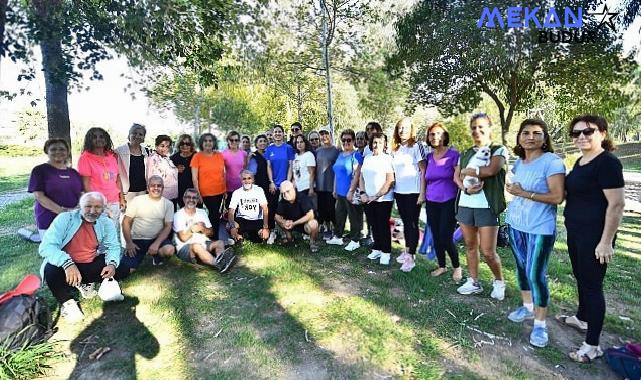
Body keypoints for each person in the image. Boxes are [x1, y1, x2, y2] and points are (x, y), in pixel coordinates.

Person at [563, 115, 625, 362]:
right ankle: (581, 318)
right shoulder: (581, 161)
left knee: (592, 286)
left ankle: (592, 345)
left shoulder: (607, 163)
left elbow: (617, 204)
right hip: (576, 232)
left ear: (602, 132)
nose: (581, 137)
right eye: (576, 133)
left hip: (595, 237)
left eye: (588, 131)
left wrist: (606, 241)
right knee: (581, 277)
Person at [504, 119, 565, 348]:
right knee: (521, 269)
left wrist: (523, 193)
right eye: (526, 132)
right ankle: (527, 306)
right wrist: (513, 191)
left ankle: (540, 325)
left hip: (539, 228)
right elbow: (516, 189)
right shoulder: (520, 162)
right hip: (516, 224)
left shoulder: (552, 162)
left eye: (537, 133)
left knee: (536, 274)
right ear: (519, 137)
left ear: (545, 137)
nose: (531, 137)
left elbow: (558, 197)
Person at [39, 192, 130, 322]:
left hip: (89, 263)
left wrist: (111, 264)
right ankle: (68, 303)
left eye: (98, 207)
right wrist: (67, 264)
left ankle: (84, 283)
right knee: (50, 270)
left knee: (123, 268)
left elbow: (113, 246)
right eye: (88, 206)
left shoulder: (105, 222)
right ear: (80, 207)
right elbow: (46, 247)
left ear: (103, 209)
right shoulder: (65, 219)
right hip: (66, 267)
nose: (92, 211)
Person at [453, 113, 507, 300]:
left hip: (487, 206)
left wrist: (470, 171)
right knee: (469, 245)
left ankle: (499, 281)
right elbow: (458, 177)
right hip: (466, 203)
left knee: (488, 251)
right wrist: (466, 190)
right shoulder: (466, 152)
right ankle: (474, 282)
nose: (477, 130)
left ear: (490, 127)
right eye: (474, 127)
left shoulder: (498, 150)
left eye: (481, 126)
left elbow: (491, 170)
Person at [424, 123, 462, 281]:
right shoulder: (428, 157)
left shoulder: (454, 155)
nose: (434, 137)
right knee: (436, 235)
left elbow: (458, 177)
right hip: (431, 200)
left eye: (438, 134)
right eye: (432, 134)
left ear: (445, 136)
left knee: (445, 236)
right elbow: (426, 179)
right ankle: (441, 266)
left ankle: (457, 267)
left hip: (448, 200)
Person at [390, 117, 426, 272]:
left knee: (412, 224)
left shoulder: (417, 146)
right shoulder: (396, 149)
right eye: (400, 128)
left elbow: (424, 170)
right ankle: (406, 250)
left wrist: (422, 193)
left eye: (405, 128)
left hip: (414, 192)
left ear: (411, 129)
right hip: (400, 191)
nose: (402, 130)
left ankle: (411, 256)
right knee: (405, 222)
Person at [29, 138, 83, 239]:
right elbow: (39, 196)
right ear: (47, 151)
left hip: (73, 219)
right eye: (53, 149)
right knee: (53, 252)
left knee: (74, 252)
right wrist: (63, 212)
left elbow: (80, 194)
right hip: (49, 219)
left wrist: (78, 210)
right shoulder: (39, 170)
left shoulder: (74, 173)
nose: (58, 152)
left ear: (67, 152)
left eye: (62, 149)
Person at [173, 188, 236, 273]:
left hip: (203, 243)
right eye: (188, 197)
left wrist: (203, 229)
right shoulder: (178, 215)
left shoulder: (202, 212)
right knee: (196, 246)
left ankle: (221, 259)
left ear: (198, 200)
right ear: (184, 199)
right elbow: (183, 238)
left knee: (220, 242)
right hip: (185, 248)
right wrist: (192, 230)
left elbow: (211, 232)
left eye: (194, 198)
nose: (191, 200)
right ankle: (217, 264)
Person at [121, 176, 176, 270]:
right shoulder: (137, 200)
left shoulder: (168, 204)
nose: (156, 188)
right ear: (147, 188)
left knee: (169, 250)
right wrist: (129, 243)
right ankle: (142, 255)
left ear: (163, 188)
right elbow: (126, 222)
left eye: (159, 186)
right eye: (152, 186)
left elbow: (168, 226)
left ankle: (156, 256)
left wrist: (157, 243)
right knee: (127, 269)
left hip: (156, 239)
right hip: (138, 239)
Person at [77, 127, 125, 230]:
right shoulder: (85, 158)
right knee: (98, 234)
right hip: (98, 203)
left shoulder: (112, 156)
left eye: (102, 136)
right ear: (89, 140)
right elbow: (86, 185)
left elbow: (117, 179)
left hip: (114, 202)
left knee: (112, 231)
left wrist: (122, 198)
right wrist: (95, 204)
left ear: (107, 139)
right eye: (94, 137)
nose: (99, 139)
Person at [359, 133, 395, 265]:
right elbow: (361, 177)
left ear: (384, 144)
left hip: (383, 199)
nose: (376, 145)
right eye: (374, 142)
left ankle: (386, 252)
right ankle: (377, 247)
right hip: (367, 198)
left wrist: (376, 195)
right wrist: (363, 193)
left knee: (382, 225)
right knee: (373, 224)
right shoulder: (367, 158)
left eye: (380, 142)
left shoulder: (387, 159)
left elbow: (390, 180)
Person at [327, 129, 363, 252]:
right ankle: (338, 236)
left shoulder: (356, 155)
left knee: (354, 217)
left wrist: (351, 191)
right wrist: (334, 189)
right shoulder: (340, 155)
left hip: (351, 192)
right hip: (340, 192)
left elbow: (358, 175)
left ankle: (355, 240)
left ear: (353, 141)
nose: (346, 142)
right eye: (344, 140)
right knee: (339, 215)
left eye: (349, 140)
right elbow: (337, 172)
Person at [191, 133, 226, 239]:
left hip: (219, 191)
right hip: (205, 192)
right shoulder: (197, 157)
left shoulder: (219, 155)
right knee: (214, 214)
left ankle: (212, 238)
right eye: (205, 141)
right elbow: (194, 177)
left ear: (214, 142)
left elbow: (223, 174)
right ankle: (213, 239)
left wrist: (224, 190)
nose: (208, 143)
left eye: (210, 141)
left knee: (215, 215)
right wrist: (198, 193)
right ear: (202, 143)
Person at [265, 124, 295, 244]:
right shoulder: (269, 149)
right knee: (273, 209)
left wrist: (287, 183)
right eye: (275, 132)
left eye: (279, 132)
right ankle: (273, 231)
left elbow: (290, 166)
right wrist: (271, 182)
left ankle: (285, 231)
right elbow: (268, 167)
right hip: (274, 185)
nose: (277, 134)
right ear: (272, 135)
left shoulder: (288, 148)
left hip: (285, 184)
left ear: (283, 134)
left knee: (284, 210)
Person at [275, 181, 320, 253]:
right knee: (278, 219)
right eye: (283, 193)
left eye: (288, 191)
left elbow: (310, 215)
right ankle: (289, 237)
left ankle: (313, 242)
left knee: (313, 223)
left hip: (304, 224)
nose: (286, 195)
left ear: (293, 188)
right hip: (290, 224)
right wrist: (284, 222)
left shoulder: (302, 197)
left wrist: (294, 223)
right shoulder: (283, 201)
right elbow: (276, 216)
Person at [227, 170, 270, 243]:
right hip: (242, 219)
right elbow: (231, 212)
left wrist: (265, 227)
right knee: (228, 226)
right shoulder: (237, 192)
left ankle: (251, 235)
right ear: (241, 180)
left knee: (265, 236)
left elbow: (265, 209)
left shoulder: (259, 190)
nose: (247, 181)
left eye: (249, 178)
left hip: (257, 219)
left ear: (253, 179)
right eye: (244, 179)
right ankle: (239, 237)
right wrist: (232, 226)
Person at [115, 123, 150, 204]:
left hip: (143, 192)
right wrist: (121, 197)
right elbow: (116, 175)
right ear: (129, 135)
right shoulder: (119, 151)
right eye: (134, 133)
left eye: (140, 134)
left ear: (143, 138)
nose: (137, 136)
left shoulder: (147, 152)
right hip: (126, 193)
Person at [314, 127, 340, 239]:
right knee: (322, 209)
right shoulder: (317, 151)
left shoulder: (337, 150)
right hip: (319, 185)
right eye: (322, 134)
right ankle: (327, 228)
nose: (324, 136)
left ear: (330, 135)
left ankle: (336, 230)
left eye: (326, 134)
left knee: (331, 209)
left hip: (331, 185)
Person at [146, 135, 179, 203]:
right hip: (161, 197)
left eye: (167, 146)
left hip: (172, 195)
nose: (165, 149)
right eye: (162, 146)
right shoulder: (153, 159)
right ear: (156, 146)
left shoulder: (167, 158)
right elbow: (150, 178)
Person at [222, 130, 249, 207]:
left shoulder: (243, 153)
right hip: (228, 188)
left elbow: (245, 169)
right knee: (229, 212)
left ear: (239, 141)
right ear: (228, 141)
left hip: (241, 187)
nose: (234, 142)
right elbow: (221, 172)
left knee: (242, 212)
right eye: (231, 140)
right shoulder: (223, 154)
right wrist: (224, 190)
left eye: (236, 140)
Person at [170, 134, 196, 208]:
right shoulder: (173, 158)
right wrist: (175, 170)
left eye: (187, 144)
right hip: (180, 191)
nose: (185, 146)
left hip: (194, 190)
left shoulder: (196, 156)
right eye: (182, 143)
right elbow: (167, 175)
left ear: (191, 145)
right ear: (179, 145)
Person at [292, 134, 316, 200]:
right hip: (298, 188)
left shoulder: (309, 155)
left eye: (301, 142)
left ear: (305, 143)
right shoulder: (296, 156)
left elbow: (312, 173)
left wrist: (311, 189)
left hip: (307, 188)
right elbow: (295, 172)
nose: (299, 144)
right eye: (297, 142)